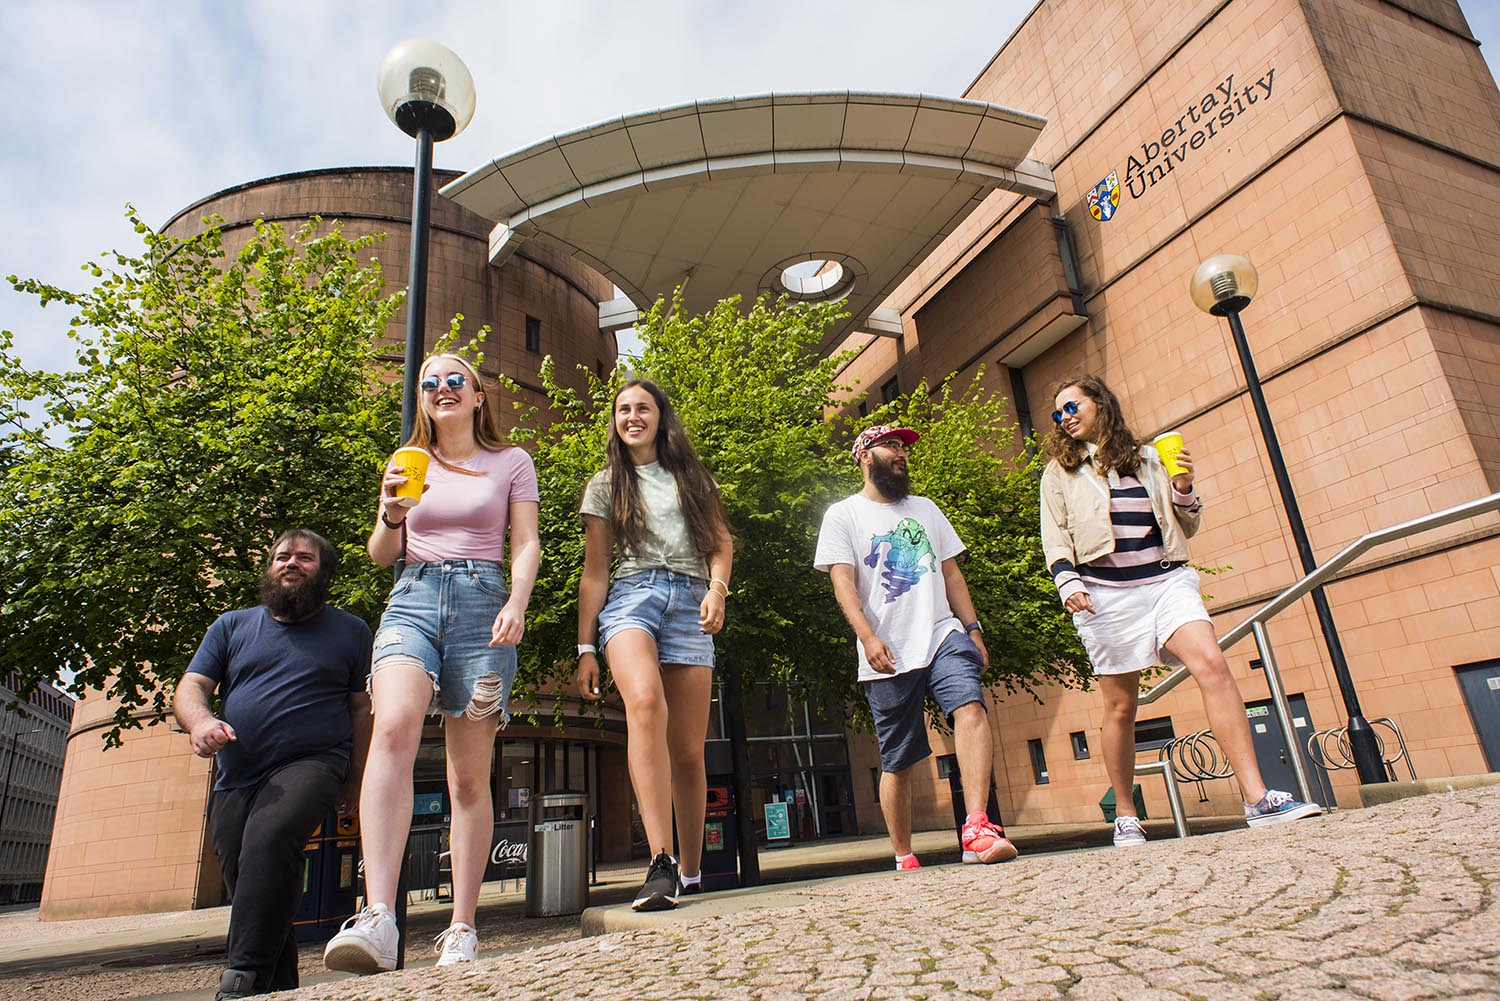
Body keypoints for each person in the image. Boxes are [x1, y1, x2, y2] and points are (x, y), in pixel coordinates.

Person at [323, 353, 540, 972]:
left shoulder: (510, 463)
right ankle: (380, 917)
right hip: (412, 599)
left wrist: (517, 602)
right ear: (421, 399)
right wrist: (392, 514)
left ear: (477, 396)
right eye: (429, 384)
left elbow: (524, 542)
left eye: (454, 381)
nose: (441, 389)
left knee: (468, 777)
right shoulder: (404, 462)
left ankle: (462, 927)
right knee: (391, 726)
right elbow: (379, 552)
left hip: (484, 603)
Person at [1040, 374, 1321, 847]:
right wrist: (1066, 579)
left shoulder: (1149, 459)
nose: (1065, 418)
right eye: (1058, 413)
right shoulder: (1059, 472)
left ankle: (1256, 798)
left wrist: (1184, 486)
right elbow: (1056, 530)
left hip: (1167, 579)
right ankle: (1126, 814)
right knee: (1122, 705)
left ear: (1099, 404)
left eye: (1072, 406)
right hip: (1105, 593)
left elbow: (1186, 523)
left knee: (1213, 665)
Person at [172, 530, 373, 1000]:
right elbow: (191, 687)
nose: (292, 564)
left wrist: (356, 779)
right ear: (269, 568)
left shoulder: (351, 630)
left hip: (315, 761)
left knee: (270, 839)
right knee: (248, 878)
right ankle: (277, 989)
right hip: (237, 773)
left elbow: (361, 709)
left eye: (305, 558)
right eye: (283, 557)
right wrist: (200, 722)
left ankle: (240, 977)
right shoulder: (231, 626)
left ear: (323, 571)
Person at [814, 425, 1017, 871]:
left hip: (942, 632)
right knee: (899, 759)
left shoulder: (926, 509)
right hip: (887, 647)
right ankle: (904, 853)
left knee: (971, 708)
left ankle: (977, 825)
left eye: (904, 448)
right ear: (865, 456)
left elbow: (951, 575)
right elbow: (843, 584)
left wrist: (973, 628)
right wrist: (867, 636)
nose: (902, 454)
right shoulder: (843, 515)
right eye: (892, 446)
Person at [574, 379, 732, 911]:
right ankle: (659, 862)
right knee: (644, 704)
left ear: (661, 418)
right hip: (632, 598)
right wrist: (585, 646)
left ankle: (690, 870)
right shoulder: (605, 484)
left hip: (692, 600)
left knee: (688, 752)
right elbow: (595, 573)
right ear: (615, 421)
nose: (632, 416)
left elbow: (720, 543)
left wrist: (717, 590)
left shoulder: (692, 477)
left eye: (643, 408)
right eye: (623, 409)